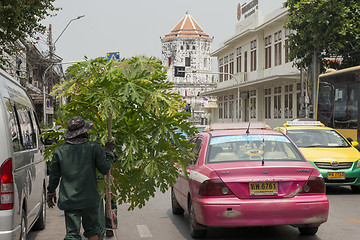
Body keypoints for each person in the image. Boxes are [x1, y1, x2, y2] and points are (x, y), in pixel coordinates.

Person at [47, 116, 115, 240]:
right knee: (92, 229)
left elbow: (54, 177)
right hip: (89, 199)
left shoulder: (59, 151)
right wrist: (109, 152)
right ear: (84, 132)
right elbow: (105, 169)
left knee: (72, 234)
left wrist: (51, 192)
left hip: (70, 199)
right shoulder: (94, 148)